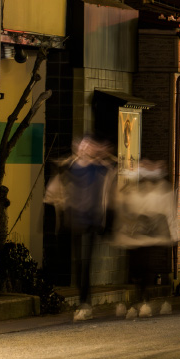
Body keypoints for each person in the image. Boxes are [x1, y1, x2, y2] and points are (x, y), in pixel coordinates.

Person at [56, 136, 116, 321]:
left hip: (91, 221)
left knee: (86, 262)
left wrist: (103, 154)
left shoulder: (97, 167)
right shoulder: (71, 166)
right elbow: (61, 170)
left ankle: (84, 303)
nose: (85, 149)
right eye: (82, 146)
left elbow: (113, 168)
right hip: (76, 219)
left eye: (88, 146)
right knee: (80, 263)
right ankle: (84, 302)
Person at [111, 156, 178, 318]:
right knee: (136, 268)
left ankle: (144, 300)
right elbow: (122, 208)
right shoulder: (132, 189)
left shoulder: (162, 189)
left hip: (152, 235)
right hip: (135, 235)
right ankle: (139, 300)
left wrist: (172, 231)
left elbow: (168, 211)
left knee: (148, 267)